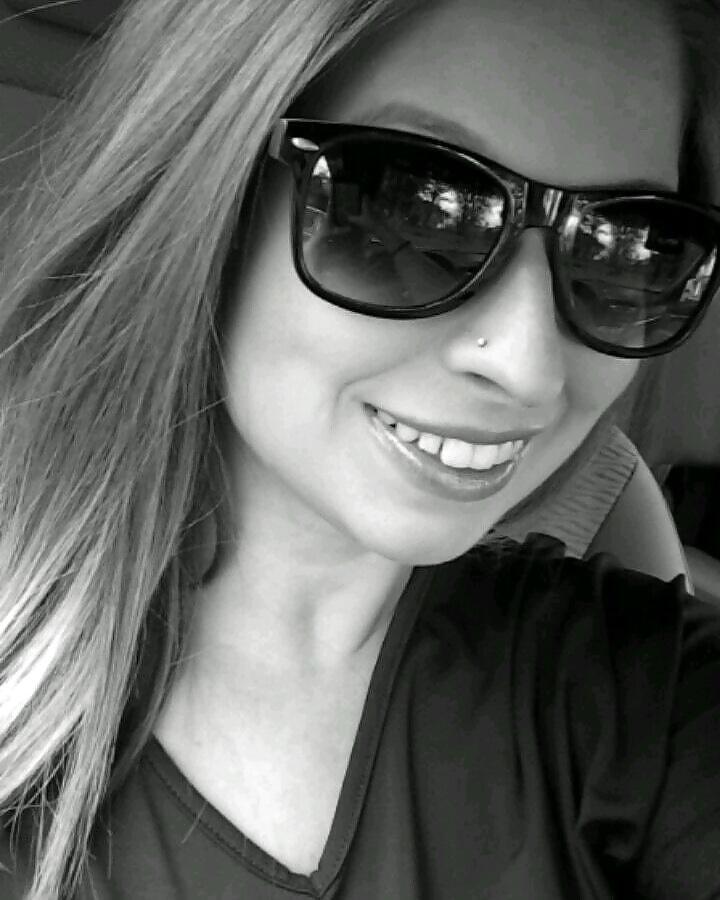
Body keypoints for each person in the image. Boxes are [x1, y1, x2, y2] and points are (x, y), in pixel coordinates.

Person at [0, 0, 719, 897]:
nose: (531, 368)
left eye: (629, 249)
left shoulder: (630, 689)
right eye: (409, 215)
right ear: (202, 194)